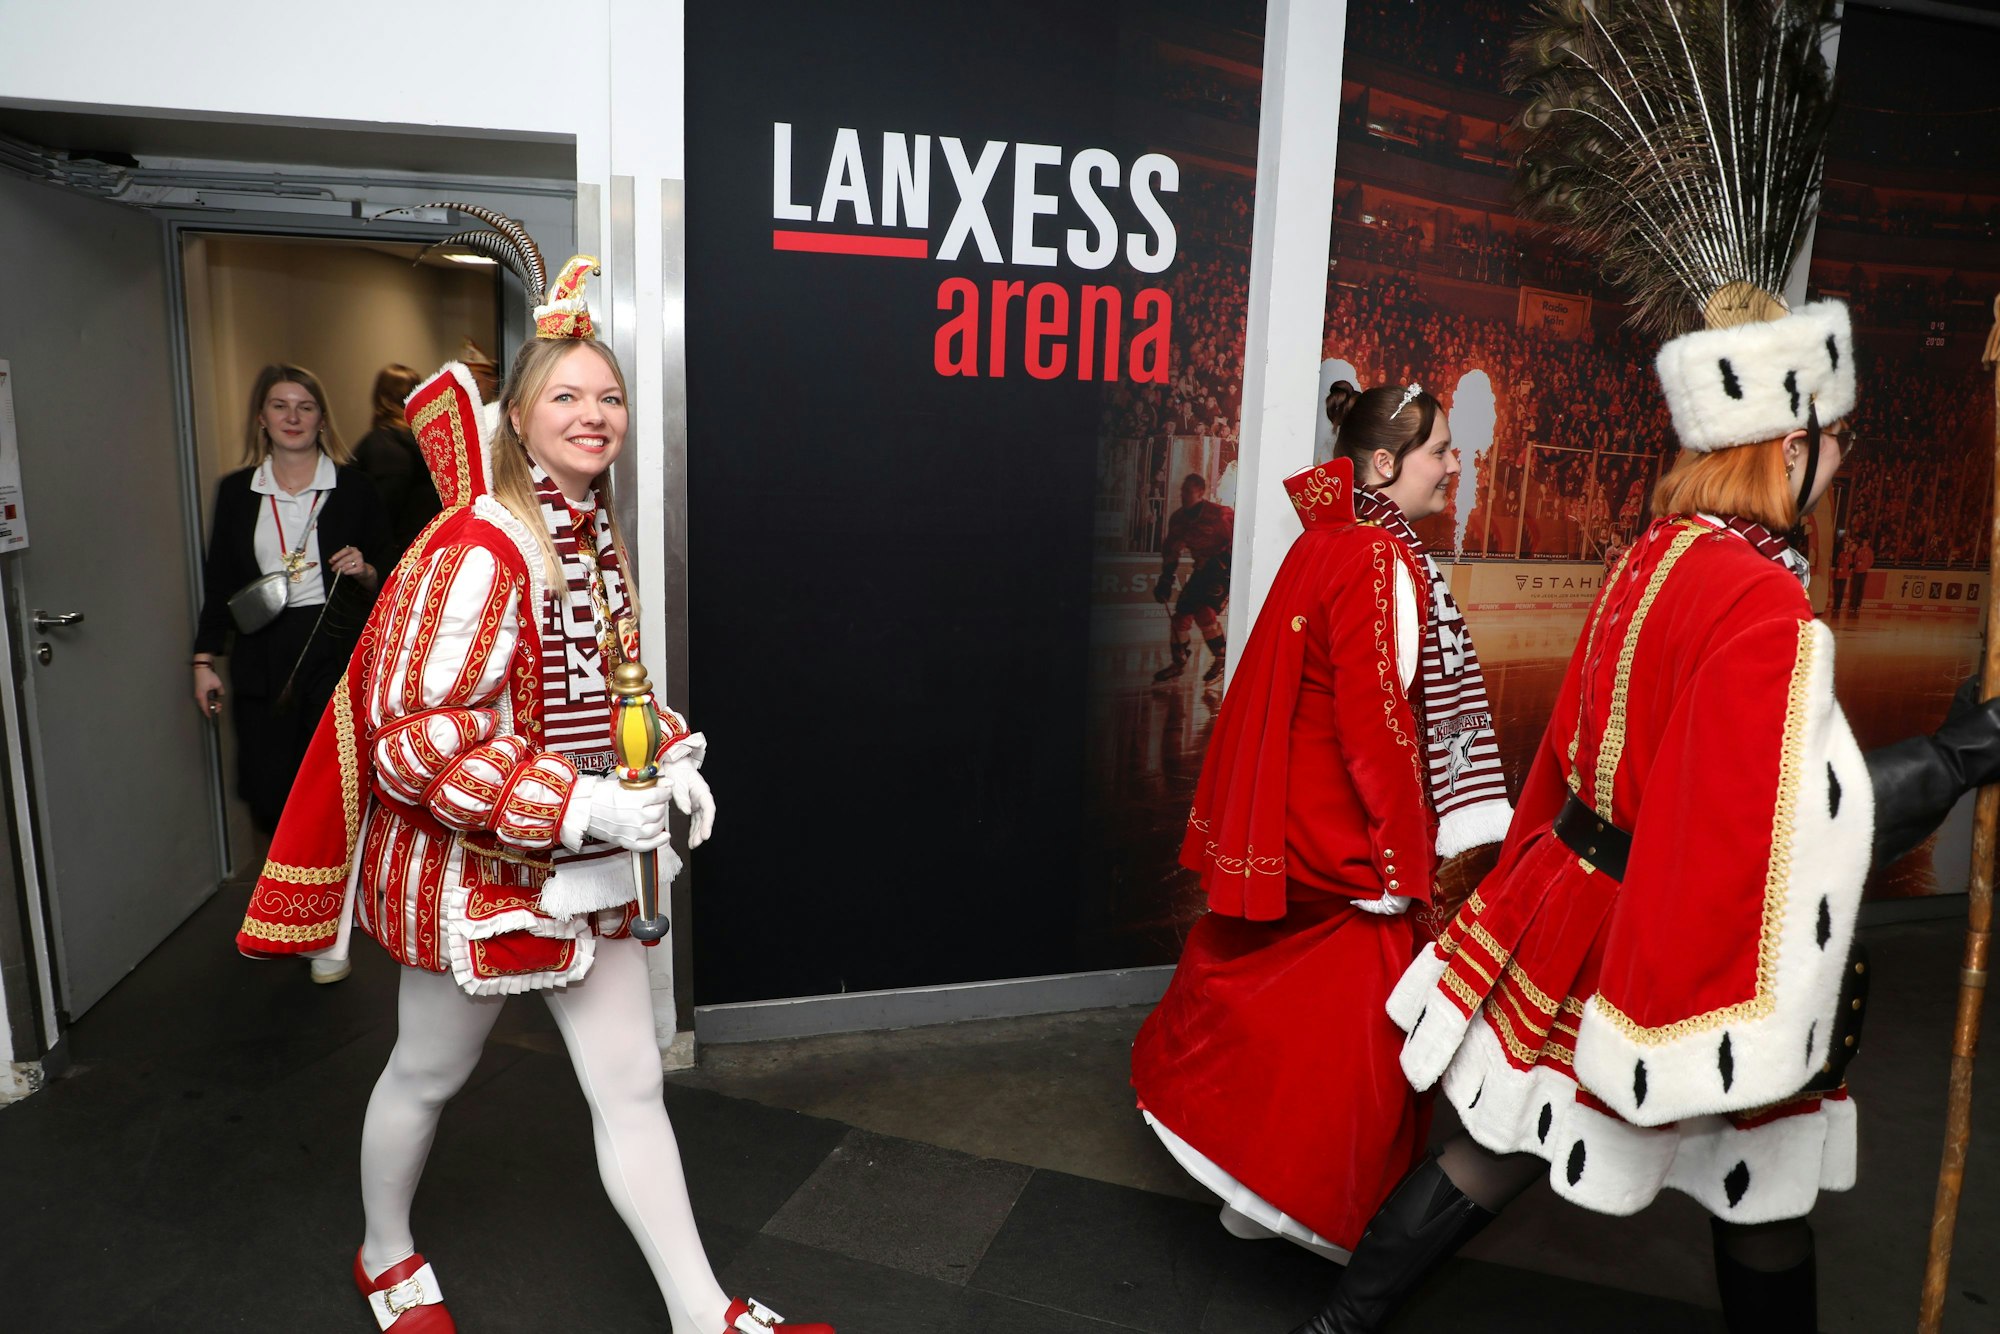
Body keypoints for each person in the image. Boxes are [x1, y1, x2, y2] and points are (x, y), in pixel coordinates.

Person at [1287, 322, 2000, 1333]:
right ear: (1790, 448)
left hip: (1584, 905)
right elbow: (1787, 820)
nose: (1845, 459)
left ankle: (1334, 1328)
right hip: (1679, 936)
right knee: (1757, 1184)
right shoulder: (1761, 595)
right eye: (1838, 440)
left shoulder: (1658, 551)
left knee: (1509, 1148)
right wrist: (1958, 758)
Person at [235, 243, 833, 1334]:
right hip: (475, 880)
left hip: (586, 872)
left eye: (609, 396)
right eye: (567, 395)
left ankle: (701, 1312)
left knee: (631, 1087)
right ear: (517, 416)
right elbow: (413, 741)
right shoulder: (477, 547)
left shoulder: (593, 533)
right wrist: (583, 804)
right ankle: (384, 1252)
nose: (593, 414)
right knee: (426, 1074)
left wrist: (667, 756)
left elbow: (608, 692)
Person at [1132, 380, 1513, 1263]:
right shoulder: (1380, 556)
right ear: (1384, 463)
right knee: (1352, 1042)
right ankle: (1310, 1207)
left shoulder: (1333, 537)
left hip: (1303, 831)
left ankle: (1248, 1191)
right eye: (1439, 451)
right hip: (1349, 845)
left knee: (1279, 1003)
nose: (1453, 465)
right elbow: (1376, 725)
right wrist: (1401, 863)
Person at [191, 364, 390, 978]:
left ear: (322, 418)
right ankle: (294, 913)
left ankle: (328, 937)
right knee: (271, 789)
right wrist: (204, 660)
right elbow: (220, 584)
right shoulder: (237, 492)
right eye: (280, 406)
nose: (293, 417)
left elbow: (394, 573)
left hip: (334, 648)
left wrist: (365, 570)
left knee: (333, 792)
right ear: (262, 418)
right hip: (262, 654)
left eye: (305, 406)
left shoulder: (354, 489)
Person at [352, 362, 440, 559]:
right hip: (426, 548)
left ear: (381, 397)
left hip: (396, 556)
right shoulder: (430, 443)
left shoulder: (383, 445)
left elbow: (382, 510)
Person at [1152, 473, 1234, 683]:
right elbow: (1171, 550)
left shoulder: (1218, 515)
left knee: (1205, 613)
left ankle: (1222, 658)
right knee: (1181, 618)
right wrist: (1165, 579)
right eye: (1182, 491)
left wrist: (1229, 562)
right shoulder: (1178, 519)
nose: (1183, 495)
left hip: (1223, 570)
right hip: (1201, 570)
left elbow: (1241, 538)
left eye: (1188, 491)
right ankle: (1178, 661)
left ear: (1201, 493)